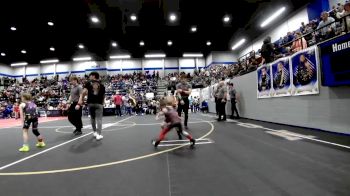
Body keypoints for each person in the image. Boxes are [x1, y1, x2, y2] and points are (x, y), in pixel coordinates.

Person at [77, 72, 106, 140]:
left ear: (93, 76)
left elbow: (83, 92)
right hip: (99, 103)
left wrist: (81, 100)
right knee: (99, 119)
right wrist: (102, 103)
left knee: (92, 118)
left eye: (90, 76)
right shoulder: (102, 85)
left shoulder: (88, 83)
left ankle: (95, 132)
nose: (89, 77)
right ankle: (99, 134)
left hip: (90, 103)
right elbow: (103, 96)